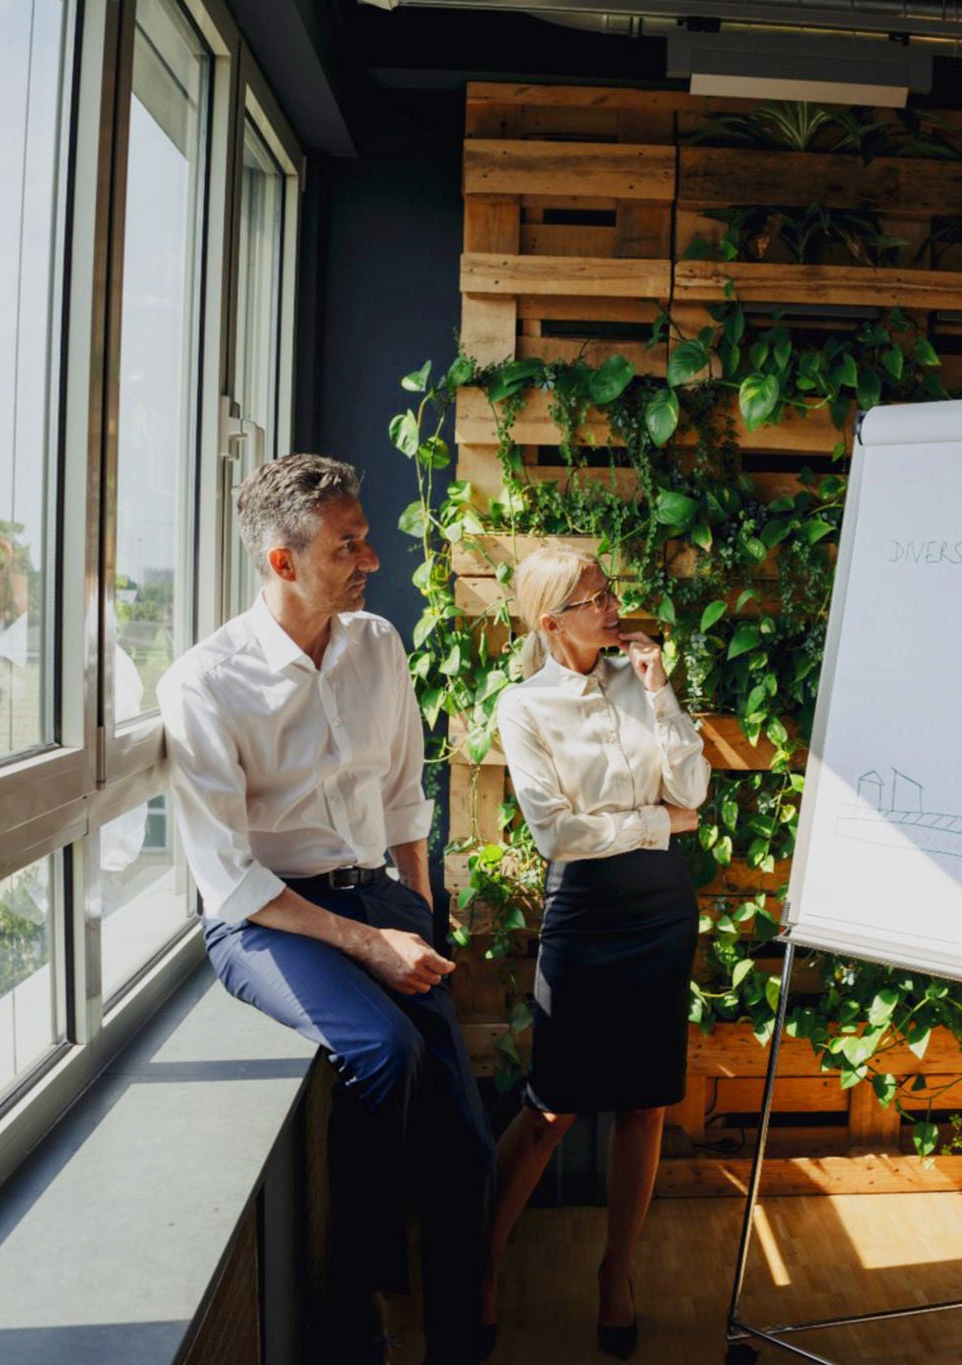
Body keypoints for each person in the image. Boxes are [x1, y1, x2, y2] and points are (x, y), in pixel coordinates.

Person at [159, 454, 493, 1365]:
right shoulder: (204, 682)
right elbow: (227, 877)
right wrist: (369, 943)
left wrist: (416, 911)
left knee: (468, 1148)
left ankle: (460, 1342)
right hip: (266, 918)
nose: (371, 560)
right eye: (348, 546)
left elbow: (400, 791)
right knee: (383, 1055)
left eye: (365, 538)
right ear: (281, 561)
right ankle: (357, 1317)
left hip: (378, 894)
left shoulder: (377, 643)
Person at [482, 547, 709, 1360]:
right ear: (552, 622)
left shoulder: (638, 678)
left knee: (646, 1103)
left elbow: (695, 790)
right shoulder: (524, 706)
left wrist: (660, 691)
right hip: (585, 911)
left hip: (660, 908)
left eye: (611, 589)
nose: (613, 606)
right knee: (550, 1106)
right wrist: (655, 825)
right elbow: (558, 834)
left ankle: (618, 1273)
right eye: (593, 598)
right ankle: (483, 1265)